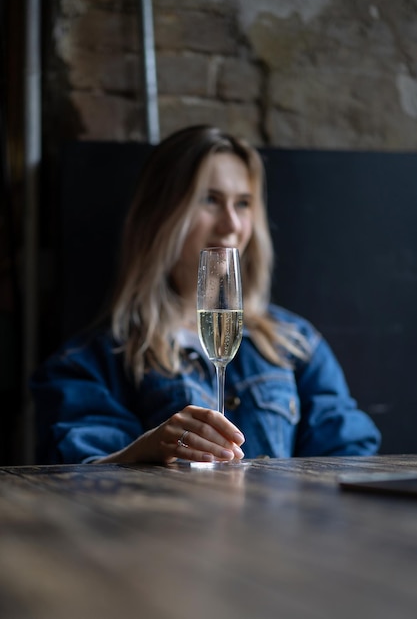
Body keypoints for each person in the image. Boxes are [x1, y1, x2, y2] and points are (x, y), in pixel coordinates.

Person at [31, 125, 381, 464]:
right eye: (210, 200)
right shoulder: (90, 364)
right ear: (160, 215)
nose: (231, 225)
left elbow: (350, 456)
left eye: (243, 203)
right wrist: (145, 451)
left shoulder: (296, 344)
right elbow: (77, 477)